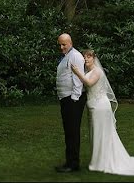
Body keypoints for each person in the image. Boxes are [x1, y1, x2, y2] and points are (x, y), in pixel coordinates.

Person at [55, 33, 86, 173]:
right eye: (60, 44)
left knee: (72, 132)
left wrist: (74, 99)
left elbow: (79, 80)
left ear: (70, 43)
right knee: (69, 132)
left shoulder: (76, 56)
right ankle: (70, 161)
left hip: (73, 100)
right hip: (66, 99)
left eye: (64, 44)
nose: (61, 47)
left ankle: (73, 164)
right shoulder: (67, 55)